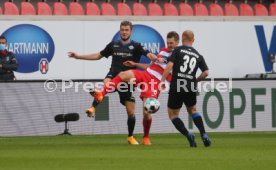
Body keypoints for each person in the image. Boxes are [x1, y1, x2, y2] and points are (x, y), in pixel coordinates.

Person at [68, 21, 158, 145]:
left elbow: (148, 54)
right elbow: (98, 55)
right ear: (120, 31)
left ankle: (130, 137)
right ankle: (93, 108)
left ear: (130, 32)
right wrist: (78, 57)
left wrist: (155, 58)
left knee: (131, 112)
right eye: (122, 30)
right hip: (114, 75)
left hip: (128, 81)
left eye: (127, 30)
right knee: (106, 83)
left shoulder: (136, 46)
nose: (124, 32)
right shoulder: (113, 45)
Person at [91, 31, 179, 145]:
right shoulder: (163, 50)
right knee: (123, 75)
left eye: (171, 43)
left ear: (177, 43)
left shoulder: (179, 53)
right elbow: (152, 65)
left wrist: (165, 66)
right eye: (168, 43)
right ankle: (101, 94)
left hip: (155, 83)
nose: (169, 45)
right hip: (146, 73)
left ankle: (146, 137)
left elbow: (170, 63)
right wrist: (135, 64)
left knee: (147, 112)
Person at [161, 30, 211, 147]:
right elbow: (206, 73)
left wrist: (162, 80)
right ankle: (203, 134)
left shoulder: (177, 50)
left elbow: (169, 65)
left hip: (177, 85)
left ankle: (188, 134)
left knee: (173, 114)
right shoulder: (198, 55)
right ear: (193, 40)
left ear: (182, 39)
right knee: (193, 110)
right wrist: (195, 81)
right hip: (190, 86)